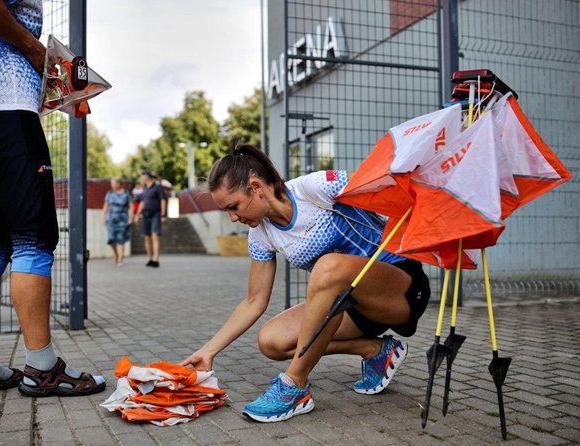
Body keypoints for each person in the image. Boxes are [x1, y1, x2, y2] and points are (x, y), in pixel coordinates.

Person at [182, 144, 430, 422]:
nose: (233, 217)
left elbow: (382, 185)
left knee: (328, 266)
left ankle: (295, 385)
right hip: (351, 308)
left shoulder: (314, 188)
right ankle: (376, 350)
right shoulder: (261, 235)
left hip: (400, 288)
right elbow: (254, 301)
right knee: (272, 341)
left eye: (233, 206)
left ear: (256, 187)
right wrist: (207, 351)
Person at [0, 0, 105, 400]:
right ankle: (41, 367)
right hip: (6, 115)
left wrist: (62, 87)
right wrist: (36, 52)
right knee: (34, 240)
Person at [133, 169, 167, 268]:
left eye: (142, 177)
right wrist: (136, 215)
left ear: (146, 177)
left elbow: (163, 200)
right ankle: (150, 258)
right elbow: (142, 203)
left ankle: (156, 259)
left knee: (155, 235)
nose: (141, 179)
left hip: (156, 214)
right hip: (145, 215)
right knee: (147, 237)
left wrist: (163, 215)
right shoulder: (144, 190)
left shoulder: (157, 188)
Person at [103, 178, 134, 267]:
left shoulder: (126, 193)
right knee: (111, 239)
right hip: (111, 219)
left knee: (121, 239)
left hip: (123, 219)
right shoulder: (110, 193)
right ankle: (116, 254)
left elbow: (131, 206)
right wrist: (104, 217)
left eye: (113, 183)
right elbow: (106, 205)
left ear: (119, 184)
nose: (111, 185)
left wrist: (131, 218)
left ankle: (120, 259)